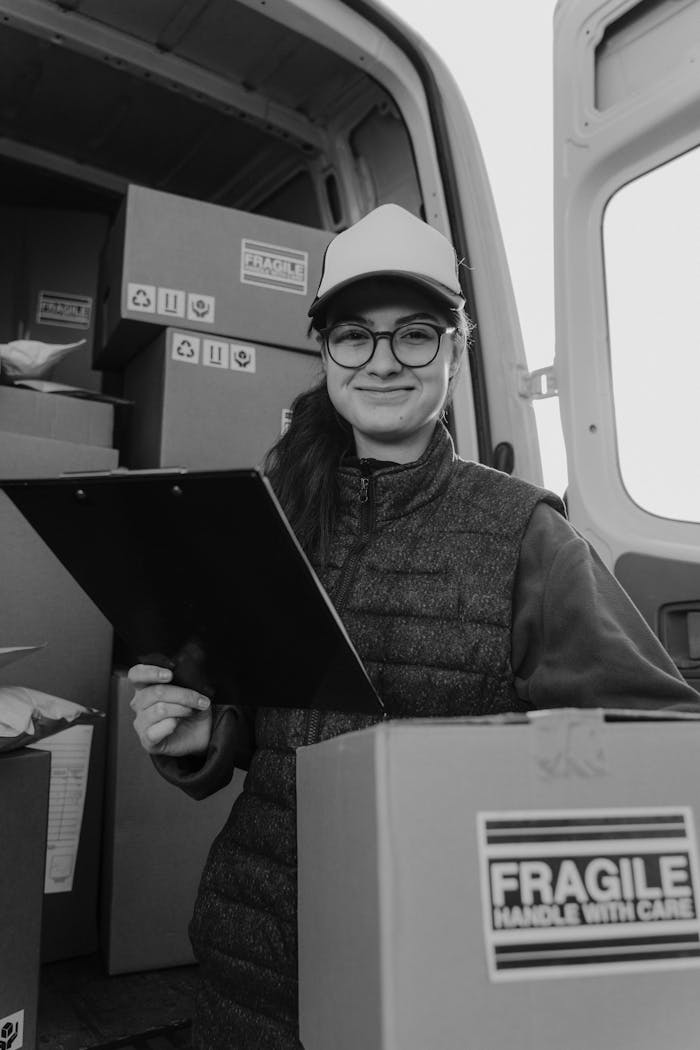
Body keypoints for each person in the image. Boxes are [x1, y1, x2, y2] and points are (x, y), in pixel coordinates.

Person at [129, 204, 699, 1050]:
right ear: (325, 352)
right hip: (252, 955)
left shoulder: (525, 534)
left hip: (434, 967)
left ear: (454, 352)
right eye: (355, 335)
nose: (384, 361)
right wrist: (203, 738)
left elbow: (651, 751)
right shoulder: (281, 512)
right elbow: (264, 725)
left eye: (416, 335)